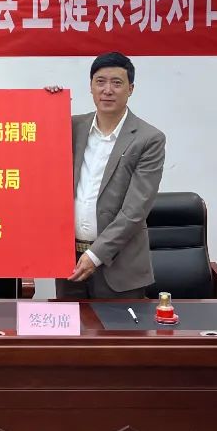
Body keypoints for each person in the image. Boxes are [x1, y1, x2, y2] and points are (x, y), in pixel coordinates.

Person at [51, 52, 166, 299]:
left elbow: (135, 211)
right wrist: (48, 102)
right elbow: (33, 141)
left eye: (117, 83)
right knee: (70, 325)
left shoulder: (148, 139)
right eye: (100, 82)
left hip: (120, 268)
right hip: (69, 264)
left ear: (131, 89)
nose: (107, 90)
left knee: (119, 327)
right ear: (91, 87)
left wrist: (95, 255)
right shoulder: (71, 126)